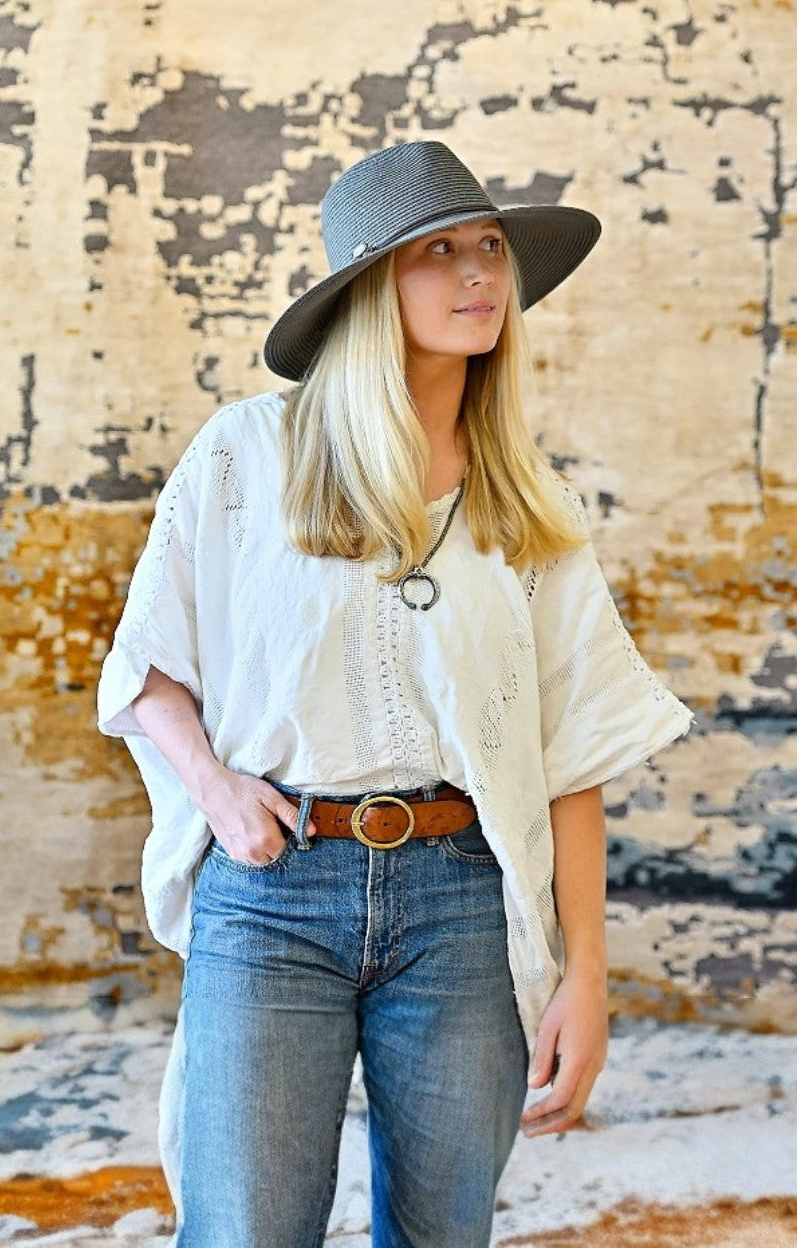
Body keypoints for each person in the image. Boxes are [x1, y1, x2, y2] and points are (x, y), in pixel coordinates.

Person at [96, 139, 694, 1248]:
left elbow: (576, 755)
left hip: (462, 907)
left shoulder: (527, 501)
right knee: (245, 1232)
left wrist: (585, 980)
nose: (478, 273)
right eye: (437, 253)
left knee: (441, 1237)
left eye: (488, 249)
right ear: (373, 289)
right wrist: (217, 792)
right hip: (275, 892)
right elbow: (148, 671)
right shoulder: (247, 455)